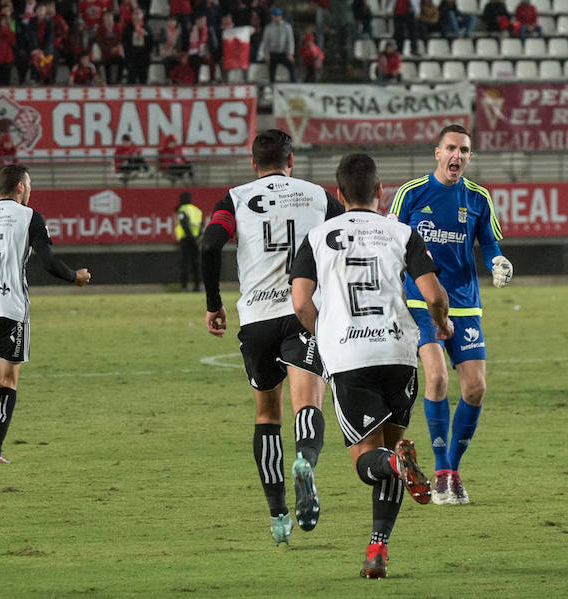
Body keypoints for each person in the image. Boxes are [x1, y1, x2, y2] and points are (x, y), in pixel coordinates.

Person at [290, 153, 452, 578]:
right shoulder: (402, 233)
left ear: (338, 194)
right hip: (400, 355)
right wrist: (442, 322)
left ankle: (397, 465)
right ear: (381, 192)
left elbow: (301, 302)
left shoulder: (318, 237)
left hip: (350, 357)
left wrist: (323, 335)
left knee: (370, 460)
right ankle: (377, 549)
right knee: (391, 446)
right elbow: (434, 296)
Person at [200, 129, 344, 545]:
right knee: (308, 401)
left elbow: (210, 246)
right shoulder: (317, 196)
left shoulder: (236, 198)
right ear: (291, 161)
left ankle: (279, 516)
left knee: (267, 414)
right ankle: (306, 461)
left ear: (253, 164)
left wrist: (214, 303)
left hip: (257, 318)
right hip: (302, 311)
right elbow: (346, 233)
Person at [387, 124, 513, 506]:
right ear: (437, 153)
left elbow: (489, 242)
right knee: (438, 378)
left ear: (470, 157)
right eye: (451, 149)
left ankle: (451, 471)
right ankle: (443, 473)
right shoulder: (410, 193)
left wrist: (498, 261)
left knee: (475, 389)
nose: (457, 156)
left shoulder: (478, 197)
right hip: (420, 301)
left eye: (465, 150)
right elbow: (392, 242)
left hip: (465, 302)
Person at [0, 164, 91, 464]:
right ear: (20, 187)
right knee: (8, 381)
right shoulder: (29, 217)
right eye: (30, 183)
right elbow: (48, 262)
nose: (31, 188)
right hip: (10, 306)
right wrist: (75, 277)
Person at [258, 8, 296, 83]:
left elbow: (290, 40)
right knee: (272, 73)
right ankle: (272, 88)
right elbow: (266, 43)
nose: (276, 18)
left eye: (278, 16)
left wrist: (290, 53)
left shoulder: (287, 26)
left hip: (284, 53)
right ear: (272, 17)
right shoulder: (268, 28)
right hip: (273, 54)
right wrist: (266, 56)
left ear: (281, 16)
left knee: (291, 67)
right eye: (275, 16)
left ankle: (294, 84)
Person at [175, 191, 202, 292]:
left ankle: (184, 287)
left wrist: (191, 238)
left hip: (186, 239)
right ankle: (197, 287)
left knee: (185, 263)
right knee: (196, 264)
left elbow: (184, 225)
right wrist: (198, 238)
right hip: (196, 240)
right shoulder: (197, 210)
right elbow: (202, 226)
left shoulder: (182, 210)